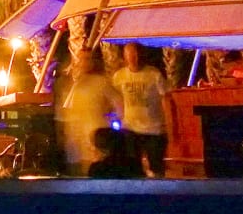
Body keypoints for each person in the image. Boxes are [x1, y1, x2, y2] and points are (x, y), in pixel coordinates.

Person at [110, 43, 173, 176]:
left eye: (136, 54)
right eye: (130, 55)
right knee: (133, 167)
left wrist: (169, 122)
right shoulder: (119, 76)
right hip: (131, 128)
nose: (134, 58)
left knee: (156, 167)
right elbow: (115, 98)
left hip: (153, 129)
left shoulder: (154, 74)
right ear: (125, 57)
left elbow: (165, 98)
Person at [58, 50, 121, 175]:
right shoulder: (72, 83)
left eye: (87, 59)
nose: (83, 62)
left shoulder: (100, 82)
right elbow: (66, 111)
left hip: (94, 142)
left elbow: (118, 102)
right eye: (81, 59)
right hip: (76, 144)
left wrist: (112, 121)